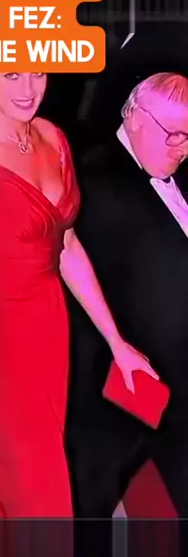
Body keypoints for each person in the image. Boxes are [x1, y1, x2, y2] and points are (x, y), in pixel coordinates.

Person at [0, 72, 156, 518]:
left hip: (48, 329)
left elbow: (66, 247)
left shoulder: (51, 138)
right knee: (39, 494)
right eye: (11, 74)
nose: (27, 89)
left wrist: (118, 343)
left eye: (37, 71)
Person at [66, 72, 188, 518]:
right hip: (118, 385)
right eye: (172, 133)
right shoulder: (93, 180)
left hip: (172, 384)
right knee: (89, 512)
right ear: (134, 117)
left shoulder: (175, 173)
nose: (181, 148)